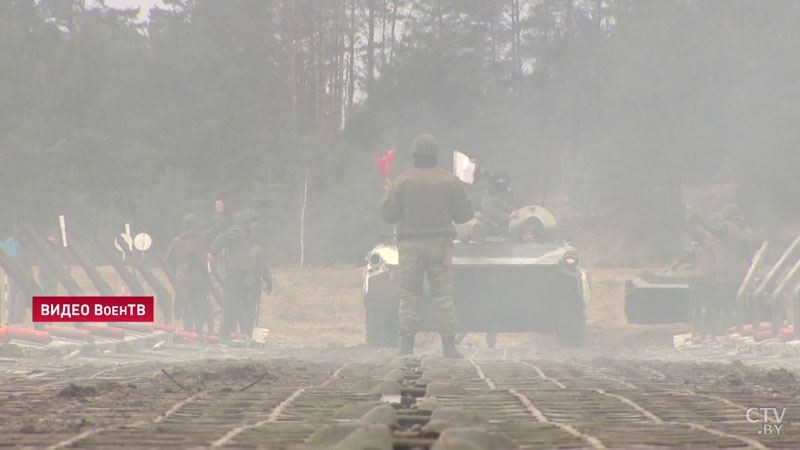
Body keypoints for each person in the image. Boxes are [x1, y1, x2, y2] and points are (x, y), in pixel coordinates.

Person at [380, 133, 474, 358]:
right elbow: (464, 215)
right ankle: (449, 347)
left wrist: (387, 196)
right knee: (443, 295)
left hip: (410, 246)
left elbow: (388, 215)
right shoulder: (449, 180)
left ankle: (406, 347)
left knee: (409, 294)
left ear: (414, 155)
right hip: (441, 246)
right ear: (436, 155)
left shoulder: (402, 181)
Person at [207, 209, 272, 339]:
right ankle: (224, 337)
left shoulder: (249, 235)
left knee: (241, 308)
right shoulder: (236, 231)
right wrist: (212, 251)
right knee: (230, 307)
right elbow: (221, 238)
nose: (256, 225)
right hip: (233, 275)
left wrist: (267, 278)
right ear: (247, 222)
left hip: (242, 276)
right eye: (254, 222)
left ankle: (242, 335)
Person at [167, 214, 214, 335]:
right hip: (199, 276)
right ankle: (199, 330)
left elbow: (170, 261)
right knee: (200, 303)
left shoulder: (176, 242)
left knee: (185, 304)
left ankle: (188, 331)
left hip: (182, 277)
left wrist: (177, 271)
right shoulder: (202, 238)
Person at [481, 170, 520, 237]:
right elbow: (490, 210)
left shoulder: (509, 193)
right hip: (493, 228)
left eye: (504, 180)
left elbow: (515, 205)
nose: (502, 184)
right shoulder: (489, 194)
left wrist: (515, 212)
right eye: (499, 180)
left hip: (510, 227)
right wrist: (508, 217)